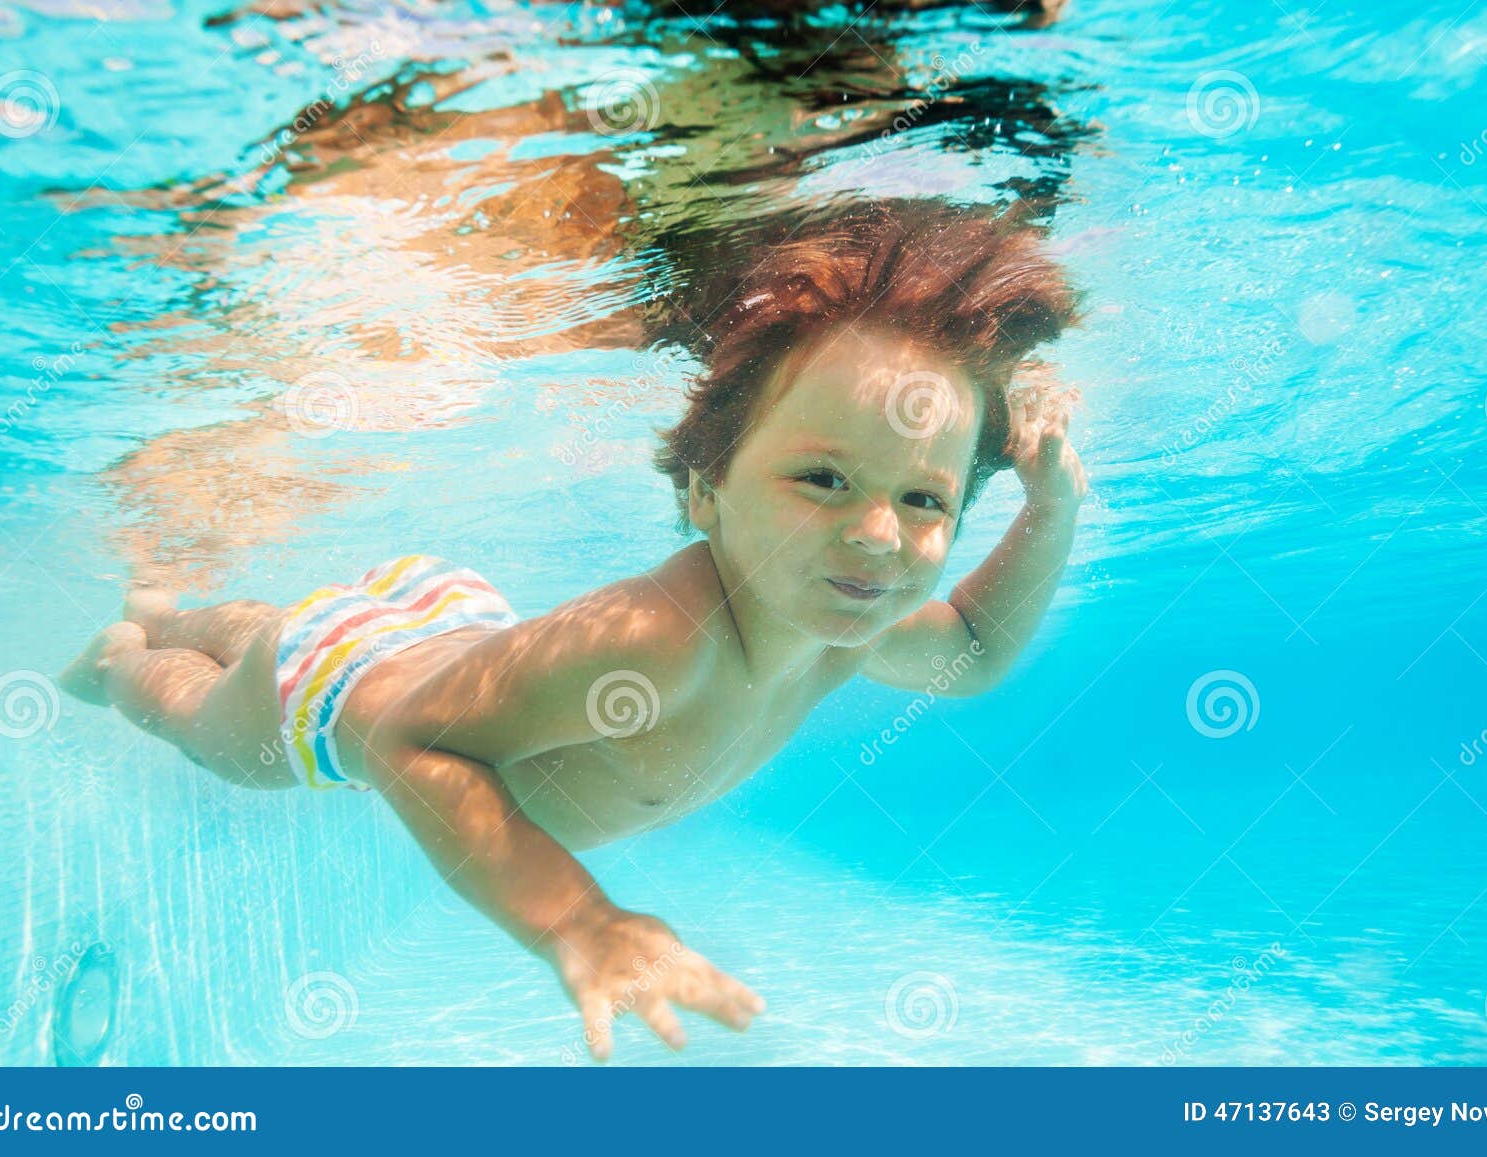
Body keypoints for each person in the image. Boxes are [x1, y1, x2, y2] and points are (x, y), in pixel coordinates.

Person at [60, 199, 1089, 1061]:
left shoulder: (844, 629)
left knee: (273, 624)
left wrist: (1051, 512)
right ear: (705, 487)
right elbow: (405, 740)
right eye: (823, 479)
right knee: (203, 718)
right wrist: (577, 921)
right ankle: (126, 658)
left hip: (455, 624)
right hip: (350, 693)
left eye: (924, 500)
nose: (877, 534)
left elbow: (971, 650)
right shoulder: (663, 637)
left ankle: (173, 605)